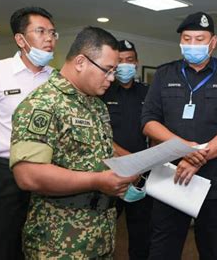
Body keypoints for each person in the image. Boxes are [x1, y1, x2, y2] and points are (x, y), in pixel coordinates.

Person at [10, 26, 137, 259]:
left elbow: (98, 156)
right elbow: (28, 175)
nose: (112, 79)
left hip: (100, 235)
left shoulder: (95, 104)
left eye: (114, 71)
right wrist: (98, 181)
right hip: (59, 242)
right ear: (80, 61)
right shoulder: (43, 104)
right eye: (107, 70)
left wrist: (129, 167)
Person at [141, 12, 217, 260]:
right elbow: (148, 122)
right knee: (162, 249)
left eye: (199, 38)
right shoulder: (165, 74)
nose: (192, 45)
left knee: (215, 251)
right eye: (187, 38)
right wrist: (183, 149)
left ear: (213, 42)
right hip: (171, 175)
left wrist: (197, 156)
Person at [0, 6, 57, 260]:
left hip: (48, 171)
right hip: (5, 171)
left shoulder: (57, 80)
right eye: (41, 31)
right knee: (1, 243)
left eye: (52, 32)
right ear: (20, 39)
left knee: (42, 241)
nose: (49, 38)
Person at [101, 39, 152, 260]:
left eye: (129, 60)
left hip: (142, 174)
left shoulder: (147, 92)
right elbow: (99, 134)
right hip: (110, 170)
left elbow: (156, 127)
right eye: (119, 61)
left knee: (141, 232)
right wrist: (128, 158)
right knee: (103, 230)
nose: (124, 65)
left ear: (136, 62)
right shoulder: (103, 91)